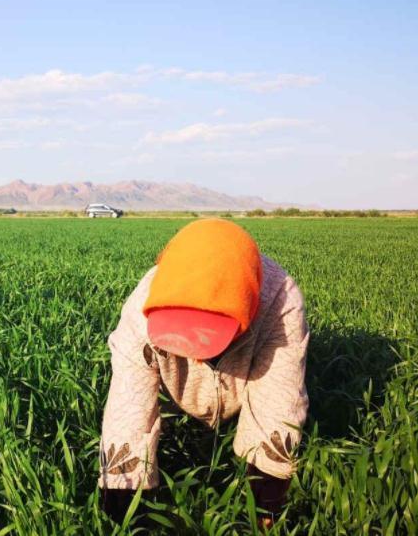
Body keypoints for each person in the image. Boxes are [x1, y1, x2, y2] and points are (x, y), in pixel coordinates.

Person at [98, 218, 309, 529]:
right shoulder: (141, 310)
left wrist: (267, 507)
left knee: (275, 408)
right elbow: (128, 408)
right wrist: (122, 514)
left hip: (246, 377)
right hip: (176, 391)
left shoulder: (281, 302)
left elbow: (278, 401)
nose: (195, 356)